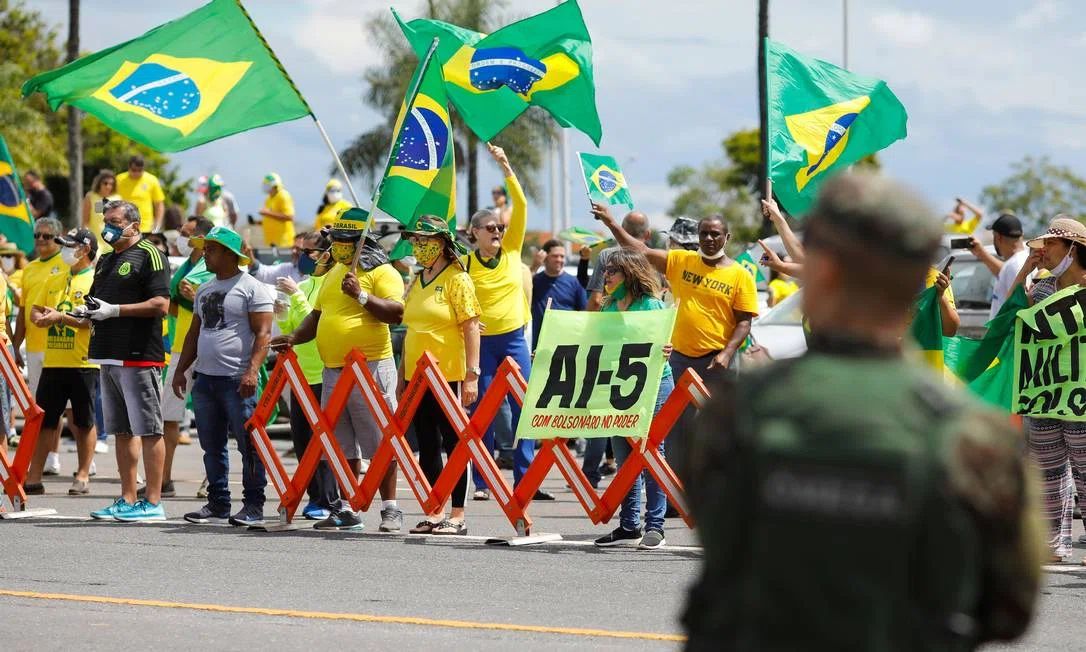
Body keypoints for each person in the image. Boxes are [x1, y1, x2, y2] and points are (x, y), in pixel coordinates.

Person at [682, 172, 1044, 650]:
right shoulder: (974, 436)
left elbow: (721, 551)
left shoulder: (737, 414)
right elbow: (1010, 608)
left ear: (821, 273)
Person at [594, 203, 758, 479]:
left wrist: (728, 353)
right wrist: (612, 223)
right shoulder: (681, 260)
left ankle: (718, 489)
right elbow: (642, 251)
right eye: (704, 233)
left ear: (726, 238)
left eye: (715, 234)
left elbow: (744, 321)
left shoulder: (740, 274)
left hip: (717, 362)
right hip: (678, 358)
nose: (709, 239)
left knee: (717, 428)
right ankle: (673, 497)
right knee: (673, 430)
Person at [270, 208, 405, 532]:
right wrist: (294, 337)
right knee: (341, 442)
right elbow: (317, 317)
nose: (340, 246)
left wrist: (360, 294)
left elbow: (396, 313)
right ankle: (348, 506)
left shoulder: (382, 272)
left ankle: (391, 508)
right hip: (334, 371)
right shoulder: (333, 273)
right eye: (337, 241)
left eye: (346, 241)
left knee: (380, 441)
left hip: (370, 368)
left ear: (361, 241)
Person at [173, 226, 273, 526]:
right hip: (206, 379)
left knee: (249, 445)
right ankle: (218, 504)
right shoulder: (204, 289)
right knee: (211, 445)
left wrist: (252, 371)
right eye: (205, 249)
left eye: (211, 249)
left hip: (237, 379)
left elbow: (263, 334)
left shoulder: (253, 287)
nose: (205, 254)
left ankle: (254, 505)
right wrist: (181, 371)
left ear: (231, 254)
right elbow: (194, 332)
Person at [463, 144, 544, 500]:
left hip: (514, 340)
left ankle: (524, 479)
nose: (497, 231)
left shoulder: (512, 251)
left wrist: (506, 166)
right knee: (483, 411)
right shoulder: (464, 265)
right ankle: (482, 481)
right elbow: (453, 302)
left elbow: (521, 206)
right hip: (483, 347)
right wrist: (465, 323)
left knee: (524, 409)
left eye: (499, 227)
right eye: (490, 228)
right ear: (474, 232)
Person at [84, 200, 171, 522]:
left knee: (148, 429)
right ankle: (127, 497)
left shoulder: (150, 254)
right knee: (121, 431)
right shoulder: (106, 260)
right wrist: (72, 315)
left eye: (116, 221)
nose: (109, 227)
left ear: (134, 224)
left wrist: (116, 311)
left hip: (138, 355)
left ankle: (153, 501)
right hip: (107, 353)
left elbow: (161, 303)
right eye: (106, 220)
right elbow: (97, 304)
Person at [1010, 216, 1086, 561]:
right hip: (1045, 394)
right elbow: (1009, 312)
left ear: (1073, 248)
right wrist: (1026, 267)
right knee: (1047, 471)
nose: (1044, 252)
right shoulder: (1040, 289)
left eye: (1050, 245)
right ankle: (1052, 545)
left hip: (1080, 397)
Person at [400, 215, 480, 535]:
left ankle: (457, 513)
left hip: (448, 373)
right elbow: (411, 328)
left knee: (453, 441)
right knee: (428, 444)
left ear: (441, 244)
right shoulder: (417, 280)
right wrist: (405, 377)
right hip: (418, 376)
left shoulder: (457, 279)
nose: (417, 246)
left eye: (424, 241)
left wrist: (472, 374)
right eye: (415, 241)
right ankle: (434, 509)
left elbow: (471, 325)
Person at [590, 249, 674, 550]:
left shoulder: (651, 305)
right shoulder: (608, 307)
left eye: (613, 271)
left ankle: (655, 526)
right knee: (625, 458)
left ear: (631, 274)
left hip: (653, 385)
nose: (607, 276)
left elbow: (665, 341)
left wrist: (667, 349)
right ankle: (629, 525)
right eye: (606, 271)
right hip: (618, 388)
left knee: (652, 453)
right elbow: (593, 344)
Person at [23, 228, 98, 496]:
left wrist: (59, 318)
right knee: (45, 420)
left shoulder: (95, 280)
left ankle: (82, 474)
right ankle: (34, 475)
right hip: (53, 360)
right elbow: (34, 309)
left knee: (83, 421)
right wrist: (39, 318)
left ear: (85, 249)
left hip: (84, 361)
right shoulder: (55, 278)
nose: (65, 250)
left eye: (70, 245)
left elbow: (90, 319)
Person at [272, 230, 339, 520]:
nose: (302, 257)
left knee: (323, 440)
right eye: (299, 252)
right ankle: (314, 496)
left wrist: (296, 296)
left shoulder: (328, 285)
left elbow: (316, 321)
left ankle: (329, 498)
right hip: (300, 375)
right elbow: (295, 326)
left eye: (308, 252)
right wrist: (281, 312)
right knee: (301, 439)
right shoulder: (305, 283)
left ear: (325, 254)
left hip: (323, 373)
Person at [157, 215, 215, 500]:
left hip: (205, 348)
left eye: (186, 232)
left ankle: (212, 479)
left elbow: (215, 305)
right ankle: (163, 478)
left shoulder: (212, 266)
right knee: (168, 415)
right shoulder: (185, 266)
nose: (180, 236)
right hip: (180, 347)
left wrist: (192, 298)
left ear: (201, 238)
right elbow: (174, 305)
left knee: (209, 417)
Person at [12, 217, 68, 476]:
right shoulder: (30, 269)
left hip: (62, 345)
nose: (40, 240)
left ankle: (63, 458)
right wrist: (16, 346)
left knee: (67, 407)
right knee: (41, 406)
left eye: (46, 236)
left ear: (58, 238)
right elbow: (23, 311)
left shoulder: (66, 264)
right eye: (37, 236)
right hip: (34, 347)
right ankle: (46, 457)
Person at [587, 211, 652, 311]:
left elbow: (596, 300)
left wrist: (589, 324)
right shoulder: (656, 259)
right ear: (648, 234)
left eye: (612, 270)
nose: (606, 275)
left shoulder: (606, 255)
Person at [531, 239, 587, 349]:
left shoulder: (573, 282)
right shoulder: (535, 280)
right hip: (541, 346)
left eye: (562, 256)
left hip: (567, 346)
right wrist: (534, 267)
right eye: (555, 256)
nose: (559, 260)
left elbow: (584, 312)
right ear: (545, 257)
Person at [970, 213, 1028, 319]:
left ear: (998, 237)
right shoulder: (1025, 260)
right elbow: (1003, 272)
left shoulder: (1013, 265)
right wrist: (981, 253)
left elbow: (1016, 309)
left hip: (1007, 333)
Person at [114, 155, 166, 233]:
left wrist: (157, 225)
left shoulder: (152, 180)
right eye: (134, 170)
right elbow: (108, 200)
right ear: (128, 167)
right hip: (122, 227)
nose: (137, 173)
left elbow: (159, 204)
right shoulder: (119, 179)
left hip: (146, 228)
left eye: (140, 170)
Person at [81, 169, 120, 249]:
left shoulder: (117, 199)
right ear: (99, 183)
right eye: (105, 183)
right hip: (95, 243)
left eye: (111, 184)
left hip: (112, 243)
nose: (108, 186)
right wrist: (86, 239)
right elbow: (85, 222)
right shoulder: (90, 196)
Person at [259, 172, 295, 248]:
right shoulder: (268, 199)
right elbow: (271, 217)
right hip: (271, 242)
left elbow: (289, 216)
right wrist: (257, 222)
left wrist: (267, 213)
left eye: (267, 185)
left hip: (284, 243)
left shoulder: (283, 195)